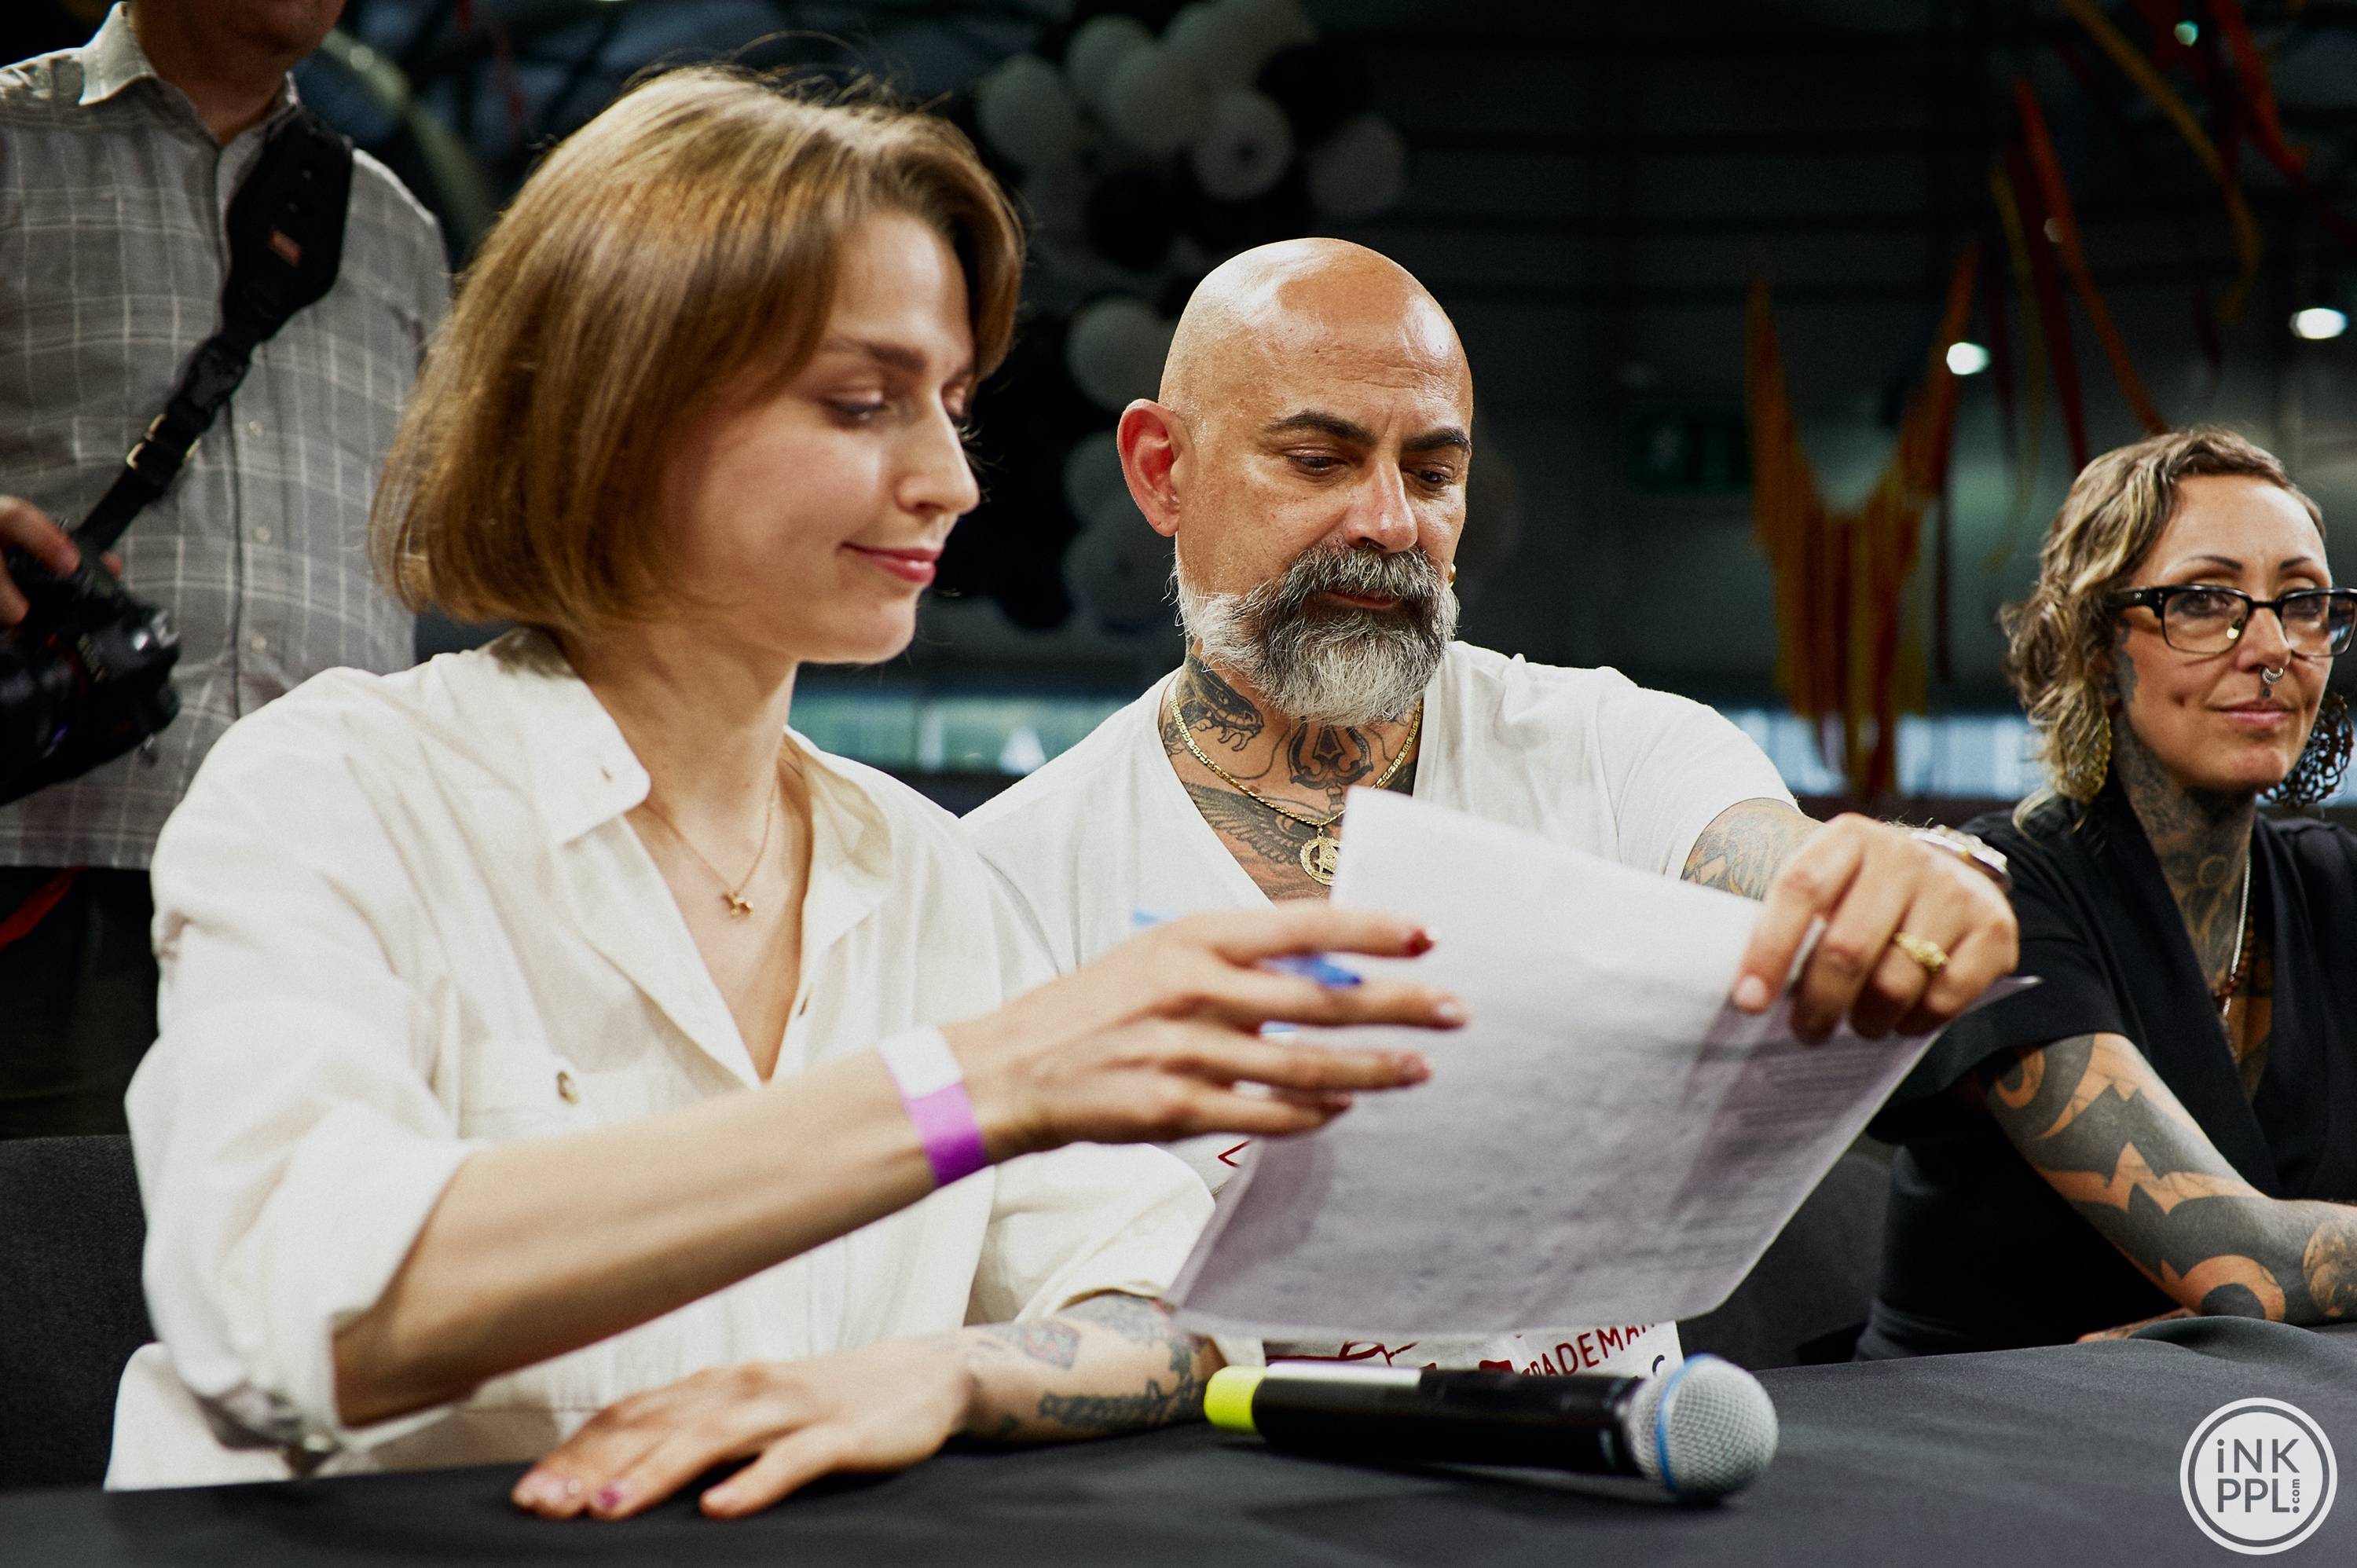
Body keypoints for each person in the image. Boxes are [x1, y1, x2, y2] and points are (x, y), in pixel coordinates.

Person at [112, 70, 1461, 1515]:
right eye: (862, 403)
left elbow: (1167, 1300)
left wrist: (952, 1373)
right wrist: (971, 1090)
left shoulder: (929, 875)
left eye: (950, 406)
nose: (949, 480)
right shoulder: (335, 794)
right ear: (618, 406)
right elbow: (296, 1314)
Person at [964, 236, 2020, 1378]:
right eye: (1318, 460)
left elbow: (1774, 863)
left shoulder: (1610, 747)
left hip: (1611, 1466)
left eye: (1431, 474)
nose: (1389, 523)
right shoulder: (1007, 883)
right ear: (1162, 471)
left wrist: (1914, 882)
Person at [0, 0, 448, 1138]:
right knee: (57, 1237)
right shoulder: (13, 138)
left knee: (325, 1246)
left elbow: (440, 550)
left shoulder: (397, 230)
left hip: (337, 909)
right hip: (53, 871)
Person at [1862, 428, 2357, 1357]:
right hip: (1984, 1424)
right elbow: (2234, 1259)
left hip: (2241, 1415)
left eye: (2303, 603)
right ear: (2095, 647)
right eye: (2203, 601)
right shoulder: (2000, 898)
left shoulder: (2338, 886)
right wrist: (2256, 1291)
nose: (2271, 647)